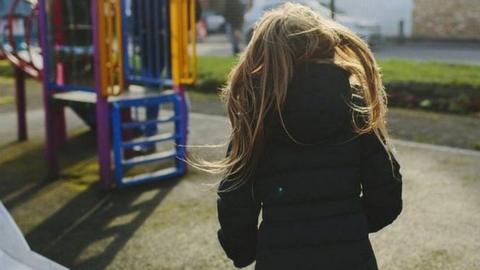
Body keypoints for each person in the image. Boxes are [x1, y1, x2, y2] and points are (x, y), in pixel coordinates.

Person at [196, 3, 403, 269]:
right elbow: (386, 193)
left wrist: (244, 250)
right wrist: (346, 225)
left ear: (262, 55)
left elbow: (235, 201)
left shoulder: (258, 114)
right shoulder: (355, 108)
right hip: (350, 258)